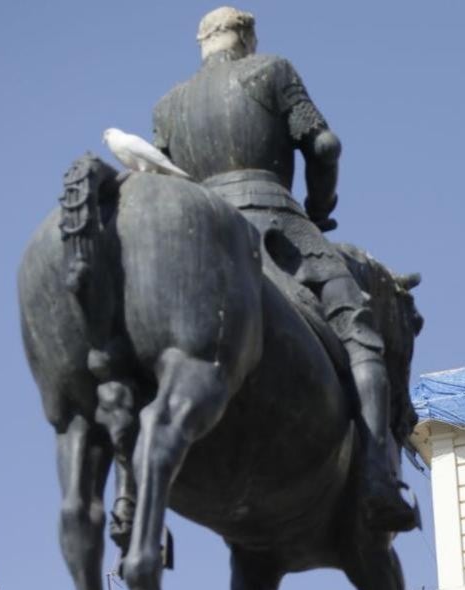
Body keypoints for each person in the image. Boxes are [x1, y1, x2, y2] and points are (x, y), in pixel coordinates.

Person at [150, 6, 415, 531]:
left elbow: (160, 182)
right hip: (278, 229)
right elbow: (324, 144)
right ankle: (377, 479)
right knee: (362, 333)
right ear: (246, 39)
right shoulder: (272, 71)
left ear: (202, 44)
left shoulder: (168, 105)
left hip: (201, 241)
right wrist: (319, 207)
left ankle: (134, 493)